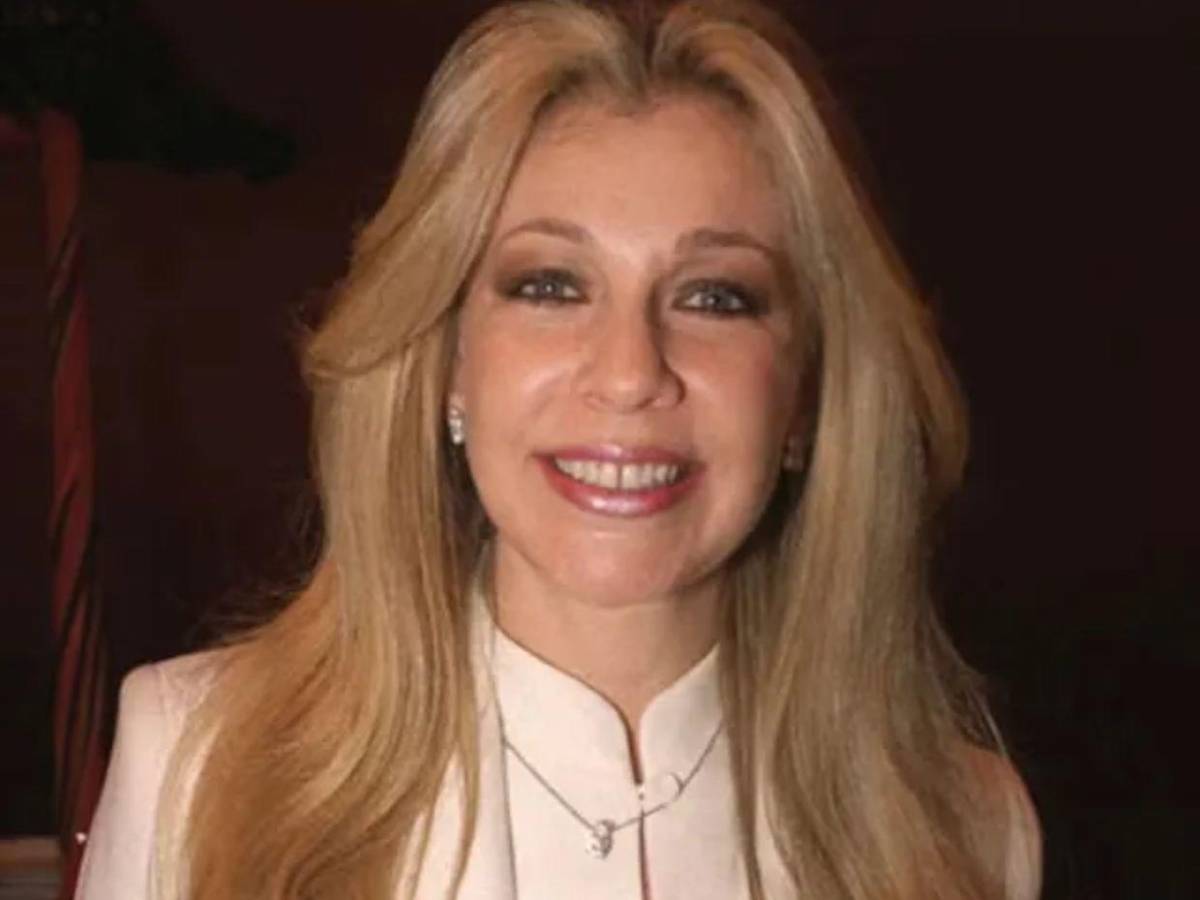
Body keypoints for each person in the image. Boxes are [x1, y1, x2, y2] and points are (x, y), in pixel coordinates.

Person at [75, 1, 1041, 898]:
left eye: (716, 297)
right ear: (447, 360)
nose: (629, 373)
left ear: (806, 396)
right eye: (549, 285)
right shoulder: (200, 766)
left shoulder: (968, 829)